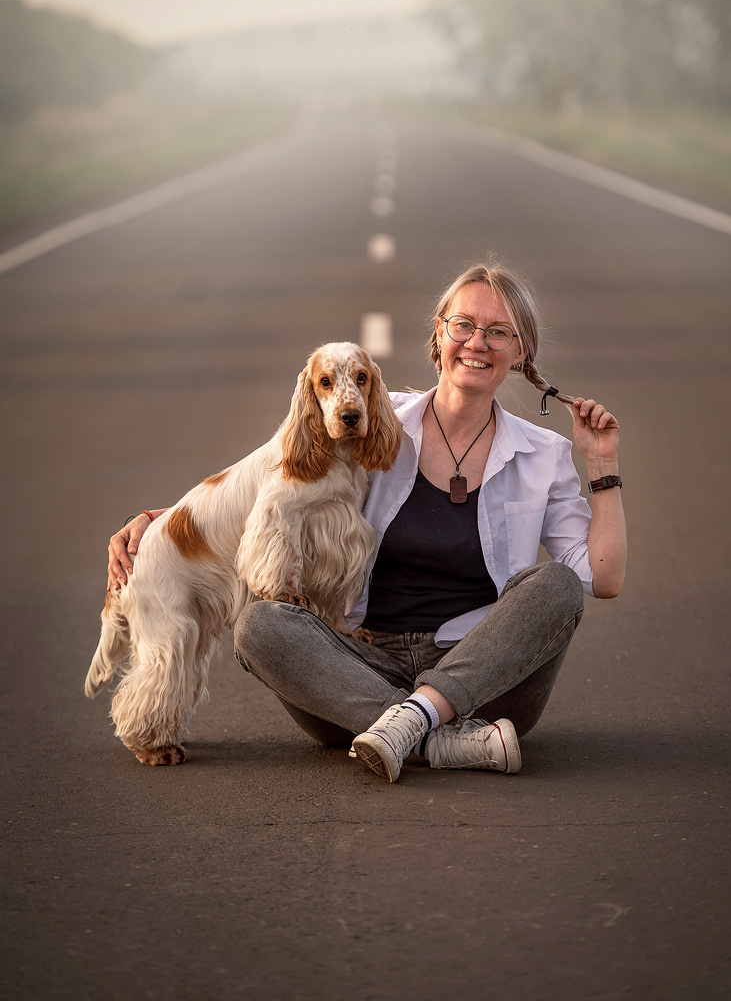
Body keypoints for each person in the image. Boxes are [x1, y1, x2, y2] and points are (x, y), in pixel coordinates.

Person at [108, 259, 626, 783]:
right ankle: (441, 737)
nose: (477, 342)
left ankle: (413, 726)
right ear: (439, 336)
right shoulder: (370, 421)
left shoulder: (546, 455)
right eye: (463, 325)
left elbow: (600, 578)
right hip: (356, 668)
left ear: (521, 351)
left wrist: (602, 466)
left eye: (498, 332)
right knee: (259, 624)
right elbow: (261, 480)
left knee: (555, 585)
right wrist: (154, 522)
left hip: (480, 674)